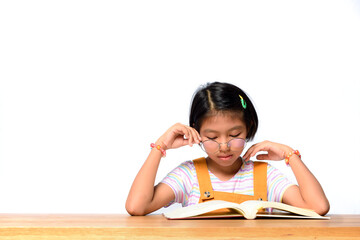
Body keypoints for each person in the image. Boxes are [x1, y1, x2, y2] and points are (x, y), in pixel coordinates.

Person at [125, 82, 330, 216]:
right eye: (212, 137)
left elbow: (318, 207)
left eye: (234, 135)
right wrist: (159, 146)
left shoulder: (264, 175)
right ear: (197, 133)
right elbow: (136, 207)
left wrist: (290, 155)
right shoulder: (188, 175)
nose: (224, 146)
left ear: (248, 127)